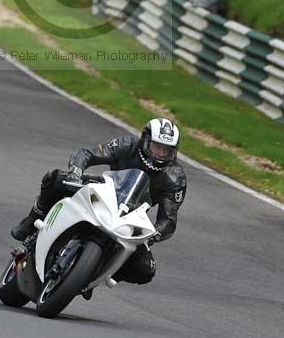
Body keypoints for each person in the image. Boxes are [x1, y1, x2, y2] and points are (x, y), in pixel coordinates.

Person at [11, 117, 186, 286]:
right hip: (104, 189)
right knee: (56, 179)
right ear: (145, 141)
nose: (161, 154)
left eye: (167, 150)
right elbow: (87, 154)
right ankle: (31, 222)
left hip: (131, 214)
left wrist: (154, 234)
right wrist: (76, 171)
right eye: (157, 147)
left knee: (146, 270)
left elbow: (168, 219)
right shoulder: (127, 145)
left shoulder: (175, 178)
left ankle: (94, 272)